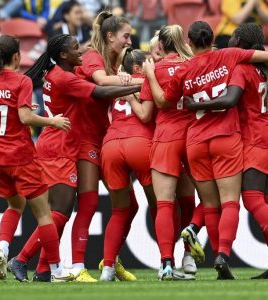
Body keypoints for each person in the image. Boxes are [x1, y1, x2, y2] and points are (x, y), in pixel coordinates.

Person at [144, 20, 268, 280]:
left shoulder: (184, 69)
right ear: (213, 38)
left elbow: (162, 101)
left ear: (190, 42)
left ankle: (168, 262)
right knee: (227, 203)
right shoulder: (229, 55)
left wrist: (149, 74)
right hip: (226, 136)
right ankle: (221, 254)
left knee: (176, 203)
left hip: (190, 139)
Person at [7, 34, 141, 283]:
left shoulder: (57, 73)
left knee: (60, 212)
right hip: (58, 148)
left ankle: (44, 269)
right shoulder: (65, 78)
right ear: (62, 56)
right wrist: (139, 85)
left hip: (60, 146)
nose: (81, 53)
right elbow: (100, 92)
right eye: (75, 49)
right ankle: (22, 259)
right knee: (59, 212)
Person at [184, 23, 268, 279]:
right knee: (266, 200)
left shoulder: (239, 68)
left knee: (251, 200)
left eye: (234, 37)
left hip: (254, 137)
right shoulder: (258, 67)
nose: (229, 40)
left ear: (239, 42)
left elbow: (230, 100)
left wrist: (195, 103)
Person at [0, 34, 73, 282]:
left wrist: (20, 109)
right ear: (17, 56)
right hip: (19, 156)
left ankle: (3, 248)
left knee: (14, 205)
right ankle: (57, 270)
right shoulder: (21, 81)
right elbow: (24, 119)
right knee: (44, 214)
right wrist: (51, 120)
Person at [71, 11, 143, 282]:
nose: (129, 40)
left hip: (103, 138)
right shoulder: (92, 57)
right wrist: (142, 80)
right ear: (110, 36)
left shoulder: (116, 63)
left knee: (130, 205)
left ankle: (110, 260)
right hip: (83, 138)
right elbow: (100, 83)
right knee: (86, 203)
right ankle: (76, 267)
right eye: (126, 36)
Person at [139, 25, 200, 281]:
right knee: (201, 199)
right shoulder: (194, 64)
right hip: (194, 137)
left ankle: (166, 264)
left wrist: (149, 74)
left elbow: (147, 112)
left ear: (160, 47)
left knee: (164, 204)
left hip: (166, 137)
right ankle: (189, 254)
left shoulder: (156, 69)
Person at [99, 48, 155, 281]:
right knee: (161, 206)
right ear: (138, 68)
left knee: (120, 210)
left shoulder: (115, 82)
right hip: (140, 142)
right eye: (148, 61)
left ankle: (108, 268)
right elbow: (148, 115)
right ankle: (167, 263)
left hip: (111, 144)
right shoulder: (147, 80)